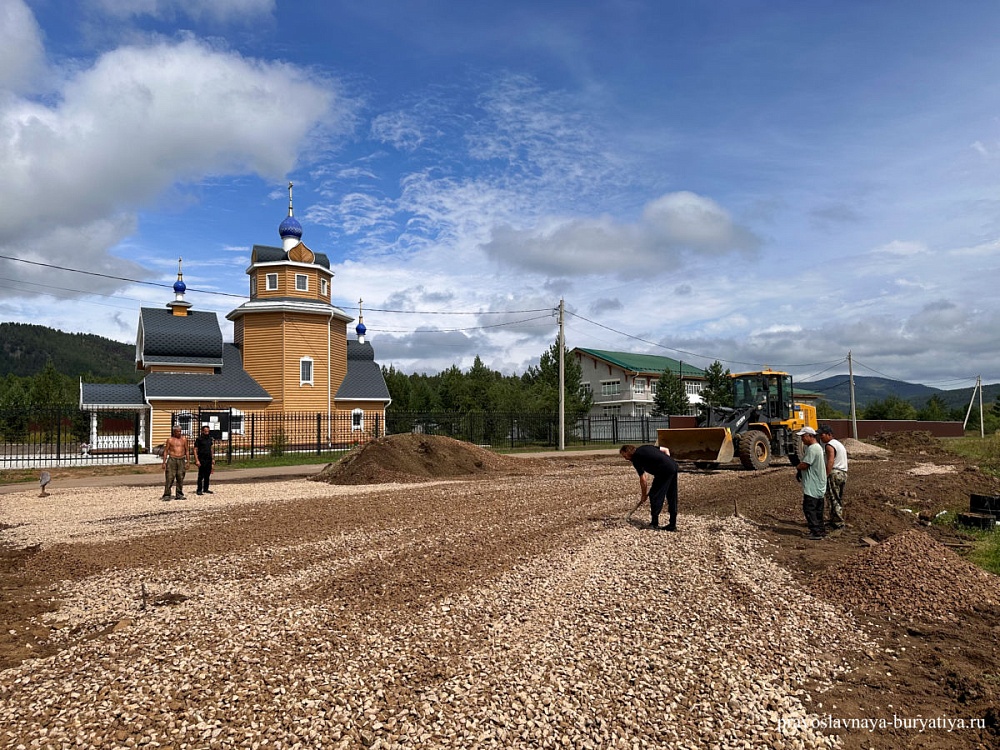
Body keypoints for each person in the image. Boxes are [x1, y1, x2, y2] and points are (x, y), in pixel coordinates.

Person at [620, 443, 679, 531]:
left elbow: (643, 479)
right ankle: (672, 525)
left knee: (654, 495)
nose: (625, 458)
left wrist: (643, 495)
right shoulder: (646, 447)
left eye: (625, 456)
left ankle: (654, 523)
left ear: (628, 452)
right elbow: (666, 449)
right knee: (672, 495)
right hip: (673, 465)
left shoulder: (636, 458)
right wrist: (667, 462)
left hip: (664, 471)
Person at [795, 426, 827, 540]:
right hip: (818, 484)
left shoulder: (813, 449)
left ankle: (816, 532)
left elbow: (805, 464)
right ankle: (821, 530)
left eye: (803, 436)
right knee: (818, 509)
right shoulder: (817, 447)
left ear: (810, 436)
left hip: (812, 485)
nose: (802, 439)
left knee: (809, 508)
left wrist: (798, 467)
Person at [818, 424, 848, 531]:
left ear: (829, 434)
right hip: (843, 473)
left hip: (834, 473)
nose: (820, 437)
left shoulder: (829, 445)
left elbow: (830, 460)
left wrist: (825, 475)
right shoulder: (838, 444)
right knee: (838, 497)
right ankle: (835, 519)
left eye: (822, 435)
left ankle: (837, 523)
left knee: (833, 498)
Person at [161, 426, 190, 501]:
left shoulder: (184, 439)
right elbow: (166, 451)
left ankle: (179, 494)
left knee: (180, 477)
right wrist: (164, 462)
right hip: (172, 459)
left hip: (181, 459)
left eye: (180, 431)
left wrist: (188, 461)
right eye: (178, 431)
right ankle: (167, 494)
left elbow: (187, 450)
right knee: (170, 477)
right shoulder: (170, 440)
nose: (179, 433)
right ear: (174, 432)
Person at [194, 425, 216, 496]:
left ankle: (206, 488)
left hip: (208, 458)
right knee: (201, 475)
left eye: (208, 431)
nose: (207, 432)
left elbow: (211, 449)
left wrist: (213, 458)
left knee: (207, 474)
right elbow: (195, 449)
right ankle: (199, 489)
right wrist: (197, 460)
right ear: (202, 431)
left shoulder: (210, 439)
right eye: (205, 431)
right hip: (202, 458)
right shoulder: (199, 439)